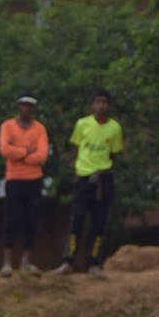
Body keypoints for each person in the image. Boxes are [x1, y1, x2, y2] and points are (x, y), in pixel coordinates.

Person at [54, 90, 124, 276]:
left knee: (99, 222)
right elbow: (76, 149)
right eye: (97, 102)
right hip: (83, 176)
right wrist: (76, 173)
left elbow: (114, 154)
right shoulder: (82, 124)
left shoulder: (114, 128)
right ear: (92, 105)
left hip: (103, 178)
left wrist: (101, 171)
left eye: (104, 102)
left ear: (108, 105)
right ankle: (68, 261)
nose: (101, 106)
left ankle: (94, 263)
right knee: (76, 219)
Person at [0, 94, 48, 275]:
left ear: (33, 108)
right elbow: (5, 150)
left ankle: (26, 262)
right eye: (23, 105)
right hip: (14, 178)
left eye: (30, 106)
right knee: (12, 218)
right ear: (18, 106)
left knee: (32, 220)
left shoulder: (40, 128)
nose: (26, 109)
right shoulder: (7, 126)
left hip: (34, 179)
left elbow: (42, 155)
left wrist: (18, 152)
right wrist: (27, 152)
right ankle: (7, 263)